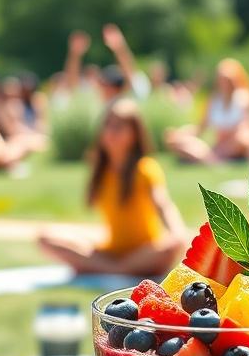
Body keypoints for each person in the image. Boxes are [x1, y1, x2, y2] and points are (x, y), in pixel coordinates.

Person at [39, 98, 185, 275]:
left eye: (119, 126)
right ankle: (118, 269)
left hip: (145, 252)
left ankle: (106, 267)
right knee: (46, 237)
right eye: (107, 125)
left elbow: (163, 203)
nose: (110, 131)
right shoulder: (101, 170)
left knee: (170, 246)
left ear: (134, 133)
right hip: (111, 251)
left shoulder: (145, 168)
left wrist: (176, 231)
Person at [164, 58, 249, 163]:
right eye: (221, 79)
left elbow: (246, 128)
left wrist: (227, 141)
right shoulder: (214, 100)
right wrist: (181, 133)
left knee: (245, 138)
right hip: (218, 148)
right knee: (175, 139)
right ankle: (213, 159)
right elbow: (200, 128)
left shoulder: (243, 97)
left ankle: (210, 159)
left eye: (227, 80)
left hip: (237, 144)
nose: (224, 84)